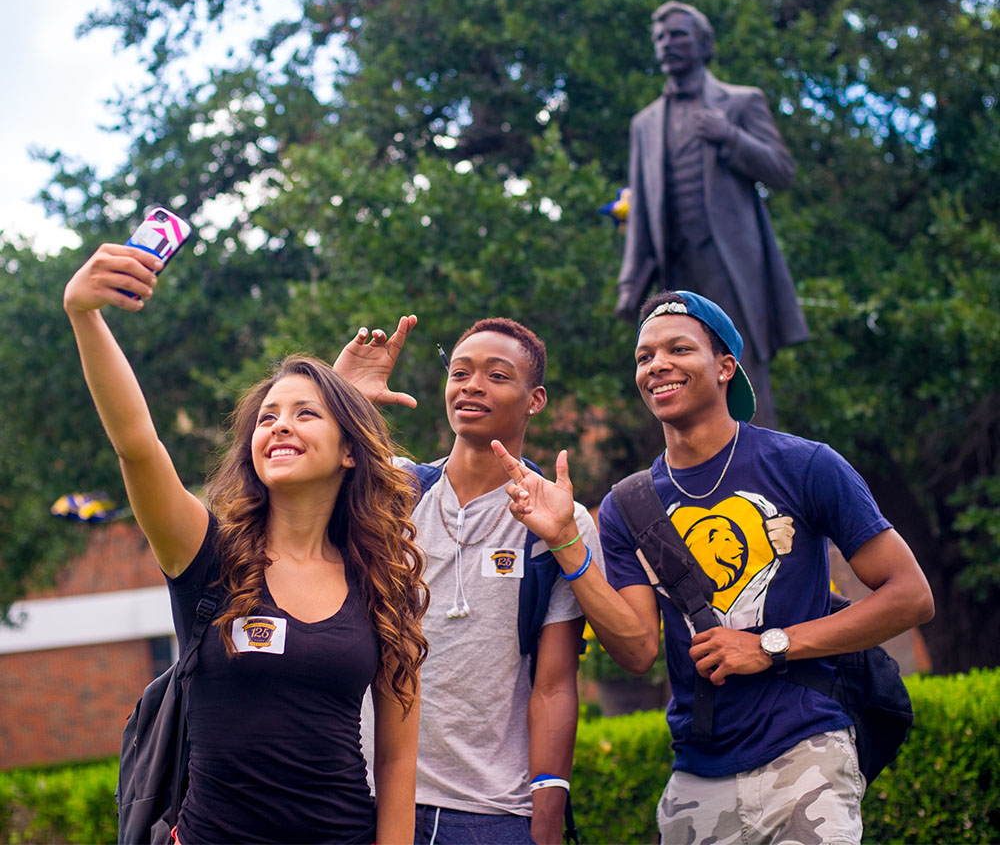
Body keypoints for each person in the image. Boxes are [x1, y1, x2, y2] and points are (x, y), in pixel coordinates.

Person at [493, 289, 934, 845]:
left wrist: (770, 644)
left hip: (806, 753)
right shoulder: (629, 505)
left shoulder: (804, 465)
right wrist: (564, 543)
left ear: (725, 366)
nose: (658, 365)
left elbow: (911, 596)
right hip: (697, 773)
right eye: (644, 356)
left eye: (679, 348)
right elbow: (636, 652)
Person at [63, 243, 428, 845]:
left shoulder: (384, 582)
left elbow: (395, 764)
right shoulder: (205, 556)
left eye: (305, 414)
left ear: (349, 452)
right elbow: (137, 444)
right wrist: (86, 316)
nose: (279, 424)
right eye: (267, 417)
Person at [334, 315, 601, 845]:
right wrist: (341, 399)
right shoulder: (392, 490)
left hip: (490, 813)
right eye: (460, 372)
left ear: (535, 399)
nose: (472, 385)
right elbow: (282, 473)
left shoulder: (560, 516)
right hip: (364, 798)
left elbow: (552, 684)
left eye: (498, 375)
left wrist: (546, 812)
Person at [614, 0, 810, 428]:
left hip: (731, 265)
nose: (668, 43)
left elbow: (781, 171)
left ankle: (760, 470)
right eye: (661, 37)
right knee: (671, 371)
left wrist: (730, 137)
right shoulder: (645, 123)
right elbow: (642, 209)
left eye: (679, 34)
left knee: (739, 366)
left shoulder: (741, 103)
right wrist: (631, 283)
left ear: (704, 44)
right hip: (675, 270)